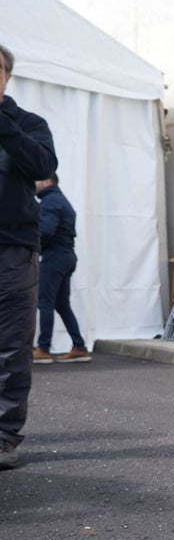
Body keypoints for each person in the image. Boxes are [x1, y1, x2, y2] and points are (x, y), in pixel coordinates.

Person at [0, 44, 58, 470]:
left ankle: (2, 435)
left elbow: (43, 165)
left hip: (12, 251)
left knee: (11, 346)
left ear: (6, 76)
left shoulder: (27, 124)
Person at [33, 173, 90, 363]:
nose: (34, 183)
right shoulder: (60, 200)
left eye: (37, 180)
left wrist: (34, 248)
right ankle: (79, 347)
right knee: (61, 304)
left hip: (55, 257)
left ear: (47, 181)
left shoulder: (51, 201)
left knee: (45, 302)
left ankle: (43, 349)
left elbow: (46, 230)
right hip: (66, 256)